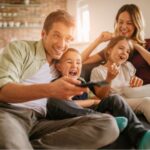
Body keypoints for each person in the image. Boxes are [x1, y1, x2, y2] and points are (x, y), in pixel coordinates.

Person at [0, 10, 120, 149]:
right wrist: (50, 90)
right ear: (43, 34)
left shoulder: (62, 64)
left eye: (68, 39)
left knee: (108, 125)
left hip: (40, 121)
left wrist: (108, 78)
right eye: (57, 35)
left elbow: (79, 59)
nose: (62, 45)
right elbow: (3, 91)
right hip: (10, 113)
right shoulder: (20, 49)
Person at [47, 48, 150, 149]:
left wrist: (107, 82)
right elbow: (62, 106)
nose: (74, 65)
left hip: (93, 111)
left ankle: (141, 136)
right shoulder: (56, 84)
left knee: (115, 98)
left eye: (78, 63)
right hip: (75, 117)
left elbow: (98, 97)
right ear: (59, 66)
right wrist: (91, 101)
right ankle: (107, 120)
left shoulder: (82, 82)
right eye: (69, 62)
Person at [82, 4, 150, 85]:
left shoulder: (148, 43)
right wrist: (98, 40)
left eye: (129, 23)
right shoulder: (114, 50)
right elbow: (81, 61)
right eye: (120, 22)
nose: (123, 26)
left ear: (137, 25)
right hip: (130, 94)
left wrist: (135, 45)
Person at [90, 36, 150, 123]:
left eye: (127, 51)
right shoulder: (98, 71)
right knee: (146, 101)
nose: (124, 53)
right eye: (121, 48)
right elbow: (102, 97)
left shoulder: (127, 65)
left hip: (131, 96)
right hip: (118, 102)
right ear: (109, 50)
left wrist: (136, 83)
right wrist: (109, 79)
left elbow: (133, 87)